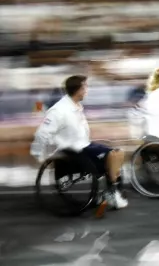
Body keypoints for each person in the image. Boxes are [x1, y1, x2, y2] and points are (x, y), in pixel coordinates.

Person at [30, 75, 128, 210]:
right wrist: (38, 154)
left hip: (85, 145)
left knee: (119, 154)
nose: (87, 90)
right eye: (85, 87)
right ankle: (111, 192)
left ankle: (111, 191)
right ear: (78, 90)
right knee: (112, 155)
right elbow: (42, 133)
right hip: (72, 150)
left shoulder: (77, 107)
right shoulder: (59, 110)